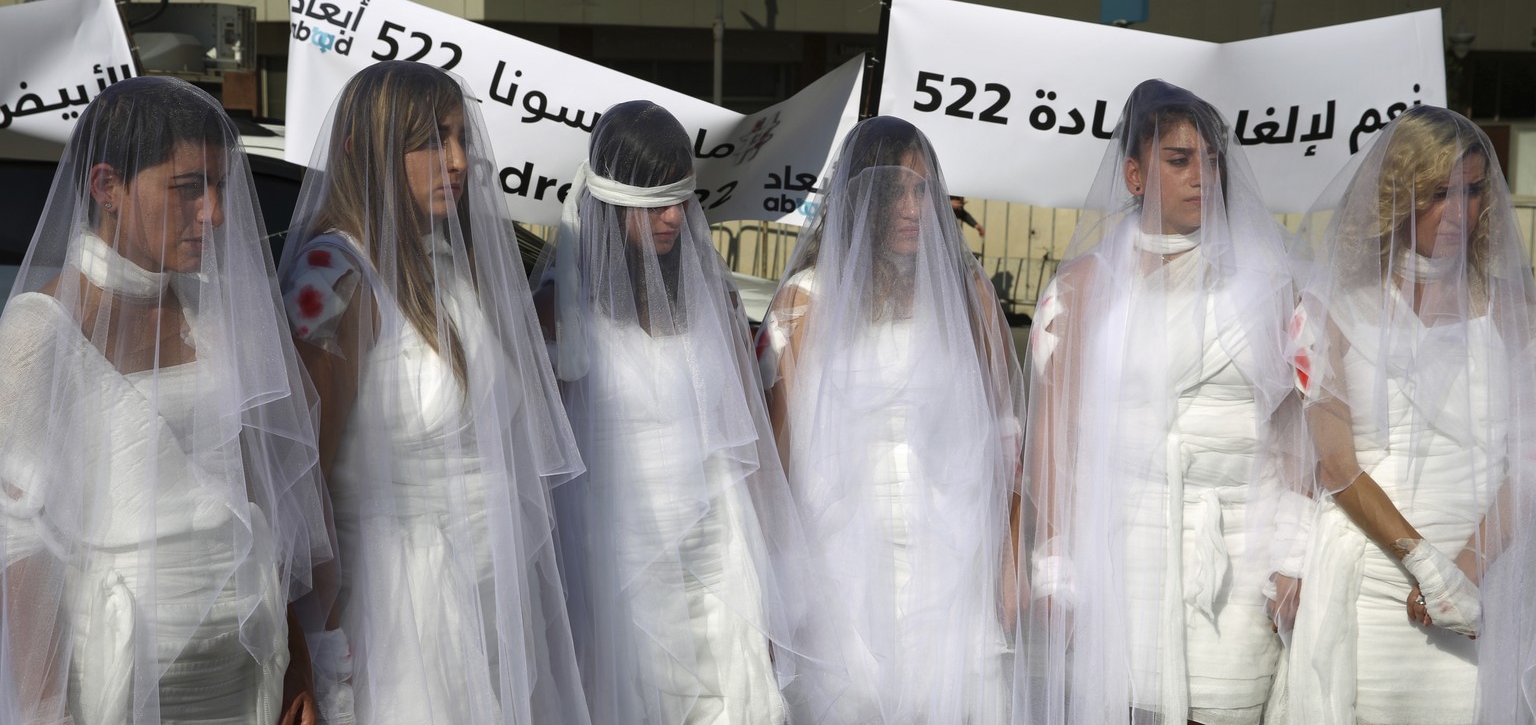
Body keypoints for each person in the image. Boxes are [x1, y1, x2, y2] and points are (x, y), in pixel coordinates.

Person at [0, 76, 330, 724]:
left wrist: (296, 650)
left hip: (246, 666)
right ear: (106, 187)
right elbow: (20, 548)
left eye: (220, 187)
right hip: (125, 676)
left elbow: (258, 487)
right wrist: (47, 710)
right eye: (187, 188)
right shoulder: (37, 336)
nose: (215, 213)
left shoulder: (215, 310)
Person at [277, 61, 589, 724]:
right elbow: (304, 482)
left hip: (490, 596)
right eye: (428, 140)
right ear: (369, 149)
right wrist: (320, 647)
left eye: (458, 138)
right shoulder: (334, 274)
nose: (454, 160)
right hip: (397, 612)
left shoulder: (452, 267)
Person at [1016, 79, 1304, 725]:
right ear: (1136, 173)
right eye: (1179, 160)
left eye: (1211, 159)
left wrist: (1294, 556)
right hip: (1123, 557)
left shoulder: (1270, 284)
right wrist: (1055, 566)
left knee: (1227, 709)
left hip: (1236, 556)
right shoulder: (1084, 286)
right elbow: (1056, 436)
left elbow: (1295, 436)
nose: (1201, 176)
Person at [535, 100, 808, 725]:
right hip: (620, 570)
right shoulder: (561, 310)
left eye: (681, 200)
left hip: (718, 557)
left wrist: (771, 583)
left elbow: (748, 441)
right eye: (654, 202)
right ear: (612, 201)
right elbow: (546, 467)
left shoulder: (711, 293)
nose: (671, 218)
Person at [758, 115, 1023, 724]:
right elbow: (780, 454)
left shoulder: (966, 294)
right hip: (840, 561)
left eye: (923, 191)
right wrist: (778, 585)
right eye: (894, 192)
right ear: (860, 199)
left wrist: (1010, 560)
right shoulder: (806, 301)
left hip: (950, 554)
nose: (912, 208)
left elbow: (1005, 433)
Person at [1284, 106, 1535, 725]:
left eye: (1472, 191)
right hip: (1372, 582)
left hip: (1486, 574)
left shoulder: (1514, 312)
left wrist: (1466, 573)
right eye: (1437, 193)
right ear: (1396, 195)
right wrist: (1426, 565)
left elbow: (1526, 461)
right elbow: (1335, 461)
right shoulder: (1332, 309)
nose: (1458, 212)